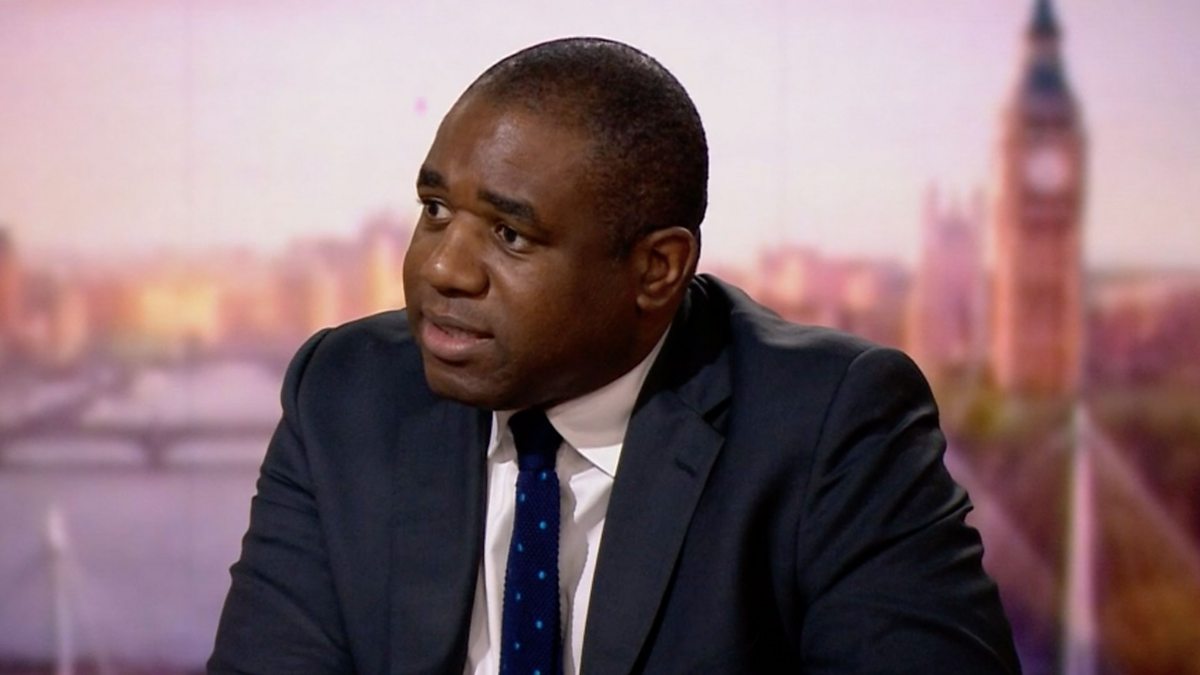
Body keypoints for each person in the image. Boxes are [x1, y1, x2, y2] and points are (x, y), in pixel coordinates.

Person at [209, 37, 1020, 674]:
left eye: (509, 234)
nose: (441, 268)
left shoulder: (832, 426)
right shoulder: (344, 392)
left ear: (656, 269)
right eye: (435, 209)